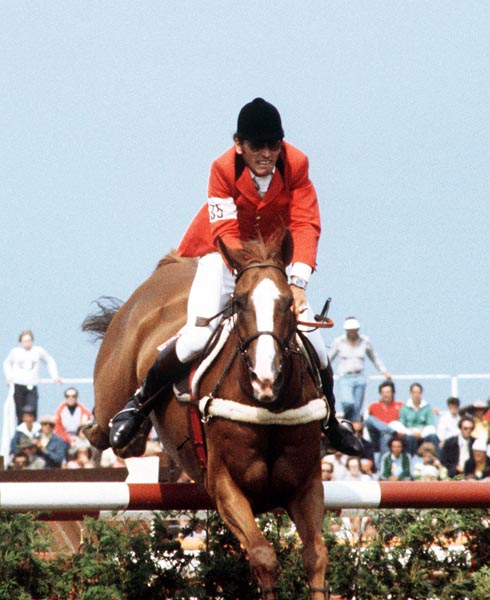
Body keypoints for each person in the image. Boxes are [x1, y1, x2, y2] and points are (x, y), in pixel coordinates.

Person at [109, 97, 361, 457]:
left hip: (273, 261)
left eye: (273, 145)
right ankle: (138, 405)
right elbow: (225, 231)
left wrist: (298, 283)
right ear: (239, 145)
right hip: (223, 256)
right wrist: (249, 278)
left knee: (311, 338)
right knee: (197, 336)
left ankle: (331, 422)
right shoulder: (222, 169)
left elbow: (306, 224)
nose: (265, 154)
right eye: (256, 146)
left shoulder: (297, 164)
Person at [328, 317, 391, 421]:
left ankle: (352, 428)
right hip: (345, 377)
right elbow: (329, 358)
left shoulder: (364, 341)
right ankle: (347, 420)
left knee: (357, 408)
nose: (352, 332)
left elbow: (374, 357)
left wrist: (384, 371)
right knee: (347, 402)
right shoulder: (339, 342)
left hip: (360, 377)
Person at [3, 330, 62, 423]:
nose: (27, 343)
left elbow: (49, 360)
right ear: (21, 341)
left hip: (32, 386)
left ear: (32, 340)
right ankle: (21, 434)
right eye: (24, 341)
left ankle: (33, 433)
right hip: (18, 385)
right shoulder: (15, 352)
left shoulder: (38, 351)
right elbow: (6, 363)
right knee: (20, 413)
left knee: (32, 410)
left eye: (29, 340)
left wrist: (55, 376)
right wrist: (8, 377)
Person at [364, 380, 404, 467]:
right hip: (376, 437)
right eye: (383, 392)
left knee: (386, 435)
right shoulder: (373, 406)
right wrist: (389, 430)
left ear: (393, 393)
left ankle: (382, 467)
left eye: (388, 392)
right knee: (369, 419)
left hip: (393, 439)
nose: (385, 394)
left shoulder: (400, 405)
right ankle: (390, 430)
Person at [398, 383, 440, 457]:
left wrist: (421, 432)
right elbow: (402, 425)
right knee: (410, 438)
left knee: (433, 437)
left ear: (421, 393)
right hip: (409, 434)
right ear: (410, 393)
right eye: (414, 392)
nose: (416, 395)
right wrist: (412, 432)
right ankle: (409, 462)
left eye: (418, 392)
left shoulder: (427, 407)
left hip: (423, 434)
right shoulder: (404, 408)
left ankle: (437, 462)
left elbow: (431, 424)